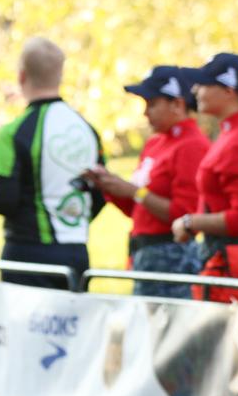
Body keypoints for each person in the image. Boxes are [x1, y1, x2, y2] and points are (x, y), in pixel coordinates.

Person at [0, 37, 106, 289]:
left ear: (21, 76)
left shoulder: (12, 132)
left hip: (26, 256)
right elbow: (102, 192)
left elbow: (4, 200)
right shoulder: (88, 130)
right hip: (76, 253)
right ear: (60, 75)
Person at [84, 66, 209, 298]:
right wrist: (110, 186)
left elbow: (185, 215)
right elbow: (138, 209)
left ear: (177, 104)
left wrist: (134, 192)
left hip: (172, 257)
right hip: (145, 253)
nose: (145, 113)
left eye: (152, 104)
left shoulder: (192, 145)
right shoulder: (155, 144)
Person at [173, 53, 238, 303]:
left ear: (229, 90)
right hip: (224, 258)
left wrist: (190, 222)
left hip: (234, 265)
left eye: (204, 84)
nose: (195, 90)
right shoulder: (230, 133)